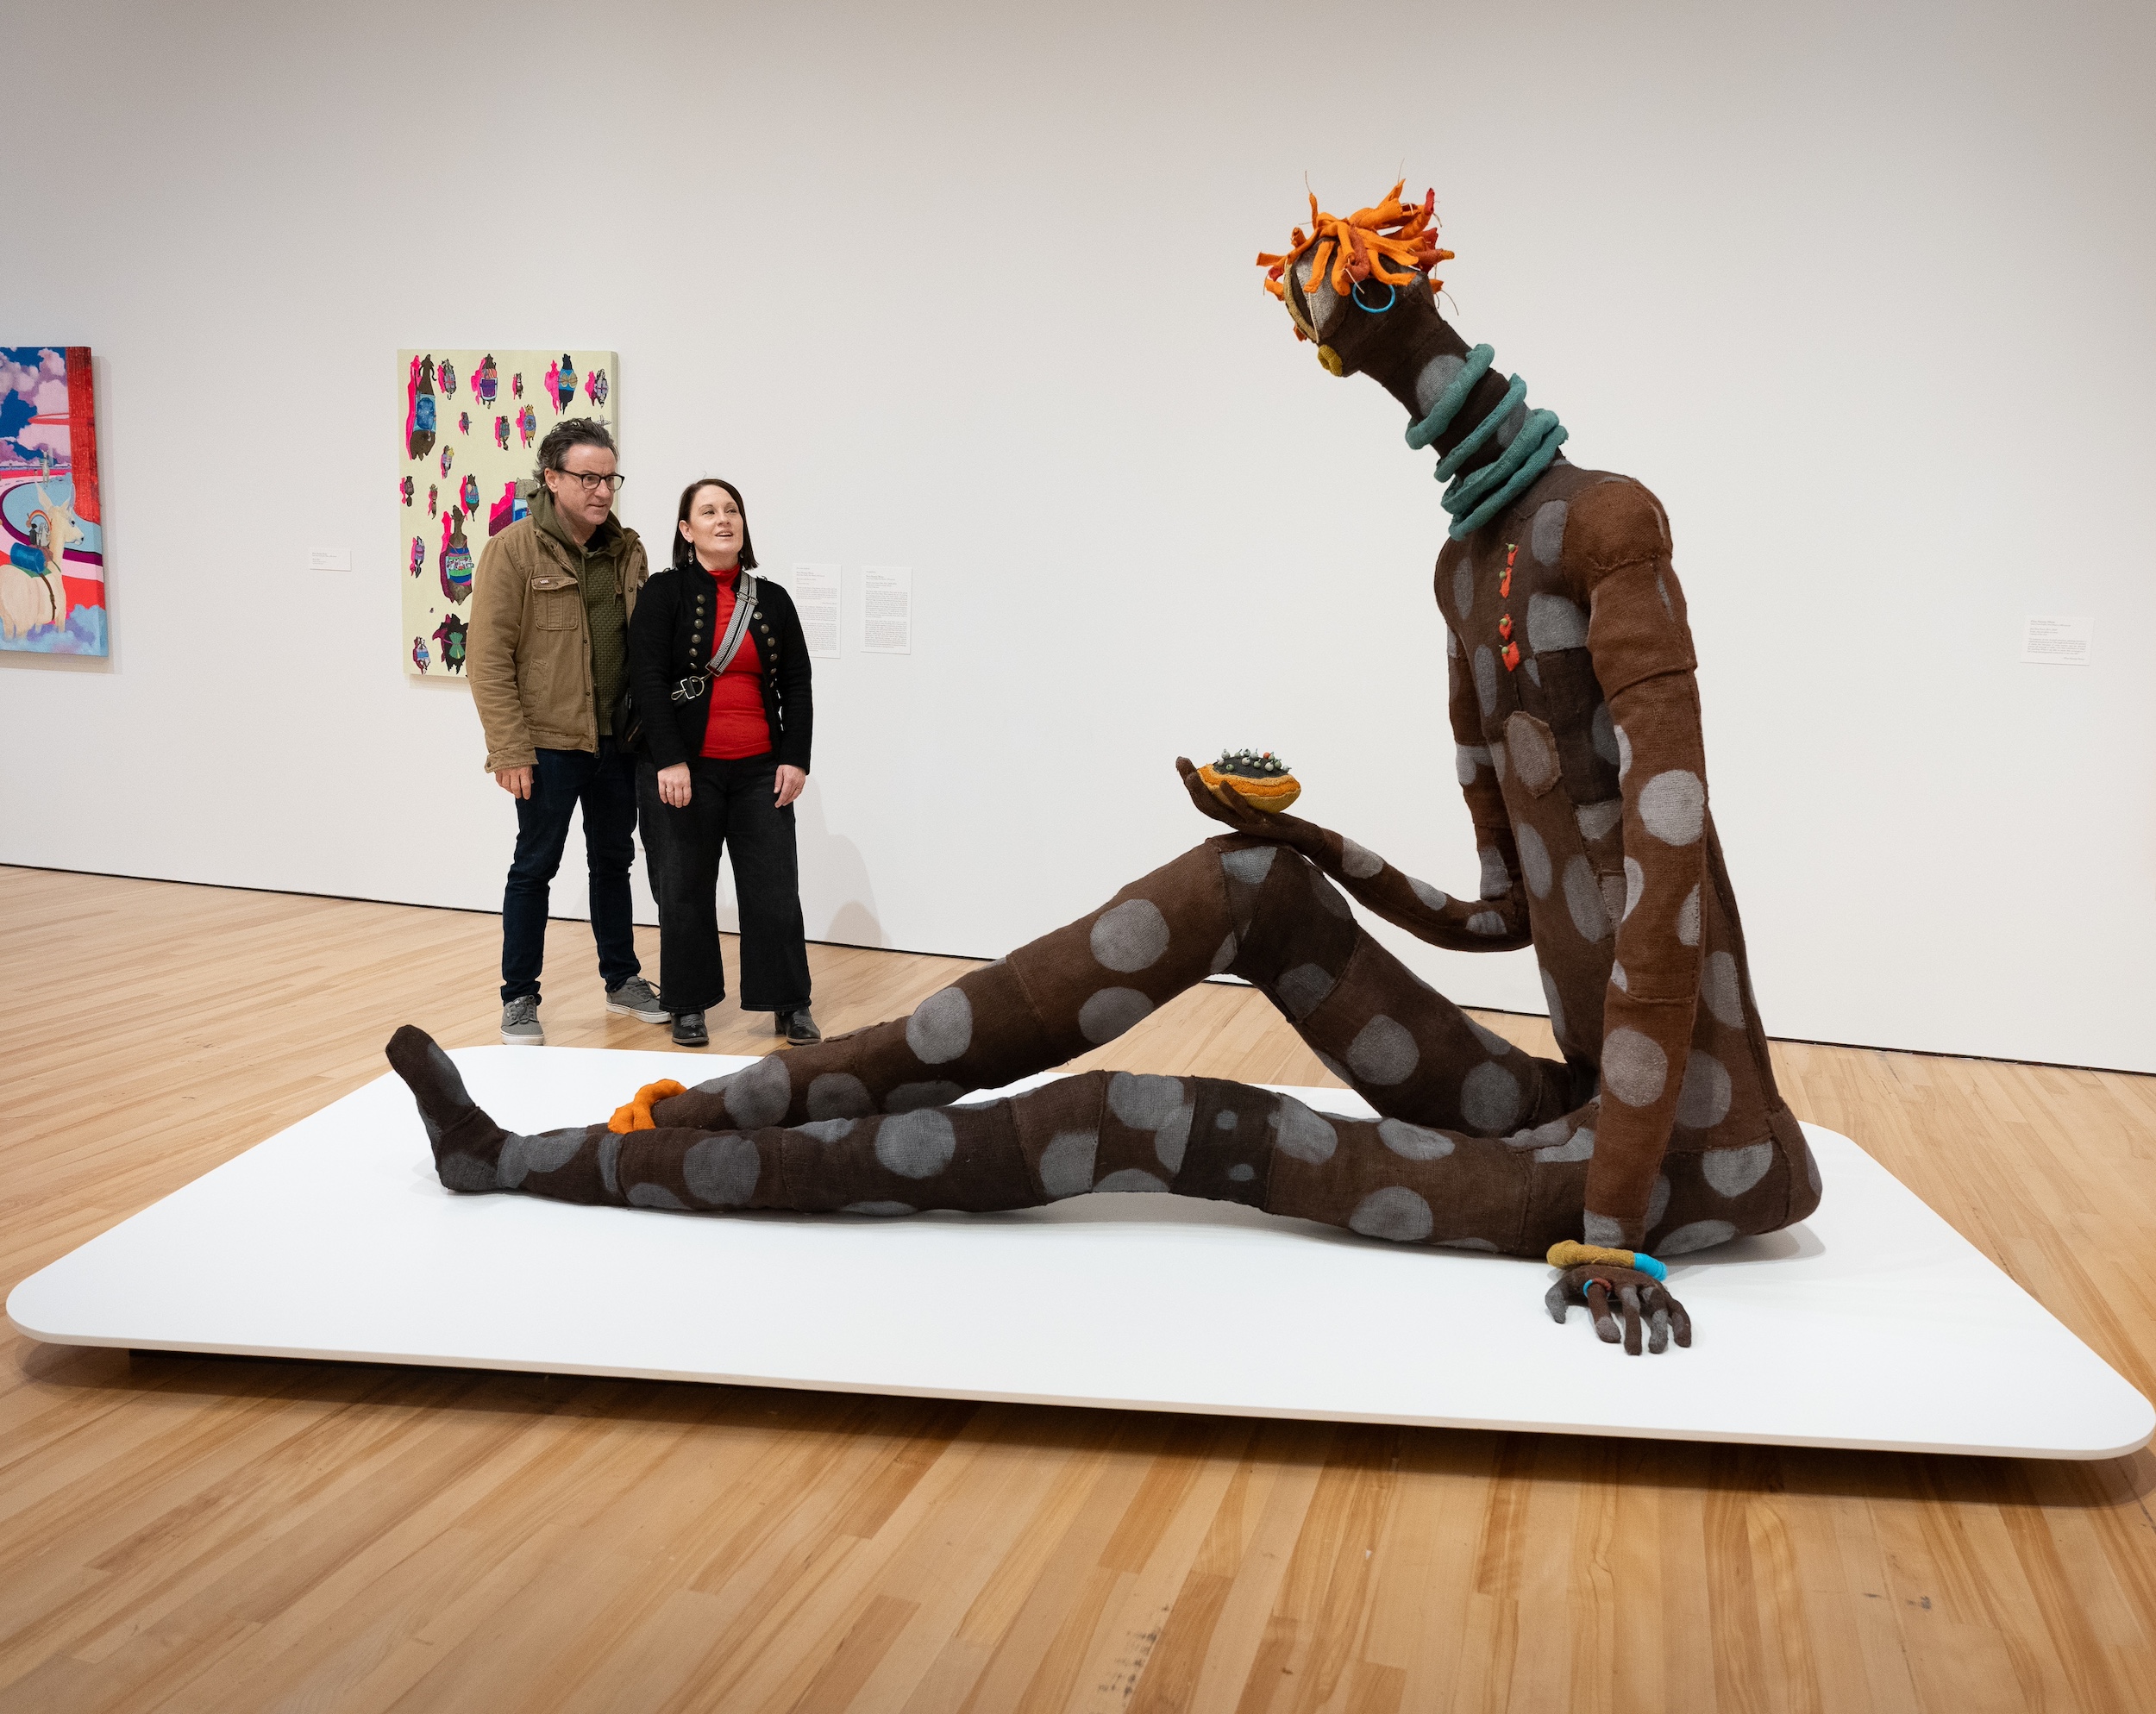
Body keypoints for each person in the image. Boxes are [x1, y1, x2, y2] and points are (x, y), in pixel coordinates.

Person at [382, 180, 1817, 1358]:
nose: (1339, 339)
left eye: (1349, 312)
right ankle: (719, 1102)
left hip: (1682, 1148)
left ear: (1406, 303)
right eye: (1326, 328)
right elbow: (1503, 911)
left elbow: (1668, 879)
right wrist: (1305, 845)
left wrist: (1616, 1216)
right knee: (1240, 882)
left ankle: (529, 1162)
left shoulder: (1609, 526)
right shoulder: (1469, 569)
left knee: (1156, 1125)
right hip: (1576, 1100)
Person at [467, 418, 668, 1045]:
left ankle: (623, 980)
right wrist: (509, 748)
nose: (602, 490)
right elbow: (488, 655)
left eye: (610, 478)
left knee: (614, 863)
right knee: (534, 868)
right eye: (588, 477)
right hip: (547, 744)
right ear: (551, 478)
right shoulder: (514, 550)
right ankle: (519, 997)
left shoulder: (628, 550)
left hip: (618, 742)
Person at [626, 479, 818, 1048]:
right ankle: (687, 1003)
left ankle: (789, 1003)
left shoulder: (774, 599)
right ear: (686, 530)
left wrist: (795, 759)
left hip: (761, 768)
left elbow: (797, 685)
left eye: (731, 509)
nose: (723, 519)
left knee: (775, 889)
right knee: (683, 888)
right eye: (708, 511)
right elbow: (649, 683)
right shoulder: (664, 595)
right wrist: (669, 760)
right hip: (686, 768)